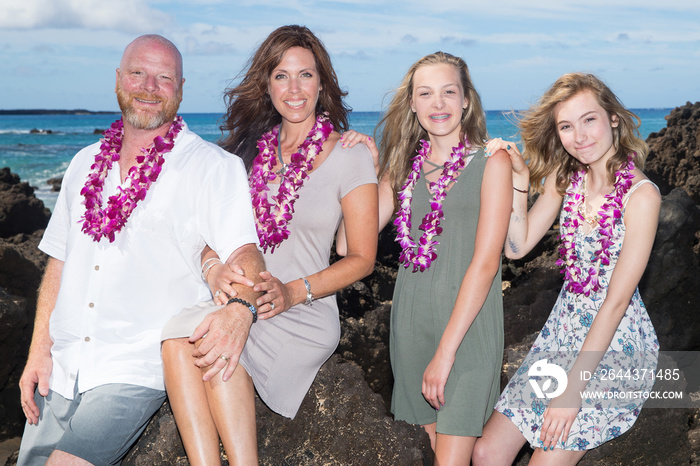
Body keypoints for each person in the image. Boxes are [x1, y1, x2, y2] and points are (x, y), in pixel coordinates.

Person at [16, 34, 263, 465]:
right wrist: (39, 350)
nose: (149, 87)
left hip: (131, 367)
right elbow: (58, 261)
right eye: (138, 73)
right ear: (118, 79)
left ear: (181, 88)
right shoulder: (83, 164)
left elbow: (244, 252)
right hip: (62, 368)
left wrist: (240, 310)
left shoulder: (212, 167)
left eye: (164, 77)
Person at [160, 25, 378, 465]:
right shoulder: (244, 155)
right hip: (243, 296)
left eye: (305, 75)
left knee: (213, 343)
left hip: (302, 309)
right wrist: (212, 267)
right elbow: (203, 233)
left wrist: (294, 290)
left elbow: (362, 258)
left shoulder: (350, 155)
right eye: (281, 76)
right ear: (267, 84)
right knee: (175, 339)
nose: (294, 89)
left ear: (322, 83)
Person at [472, 73, 660, 465]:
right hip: (564, 330)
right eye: (566, 126)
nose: (580, 136)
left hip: (615, 343)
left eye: (589, 119)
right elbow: (518, 247)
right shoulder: (567, 178)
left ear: (612, 118)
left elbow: (617, 299)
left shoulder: (641, 196)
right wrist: (521, 181)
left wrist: (573, 390)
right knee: (487, 452)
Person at [343, 51, 511, 464]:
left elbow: (487, 263)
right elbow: (348, 245)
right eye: (426, 93)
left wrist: (446, 353)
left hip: (467, 335)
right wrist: (364, 169)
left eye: (448, 92)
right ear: (413, 104)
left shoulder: (495, 161)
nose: (438, 104)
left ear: (466, 100)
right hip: (412, 327)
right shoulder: (401, 168)